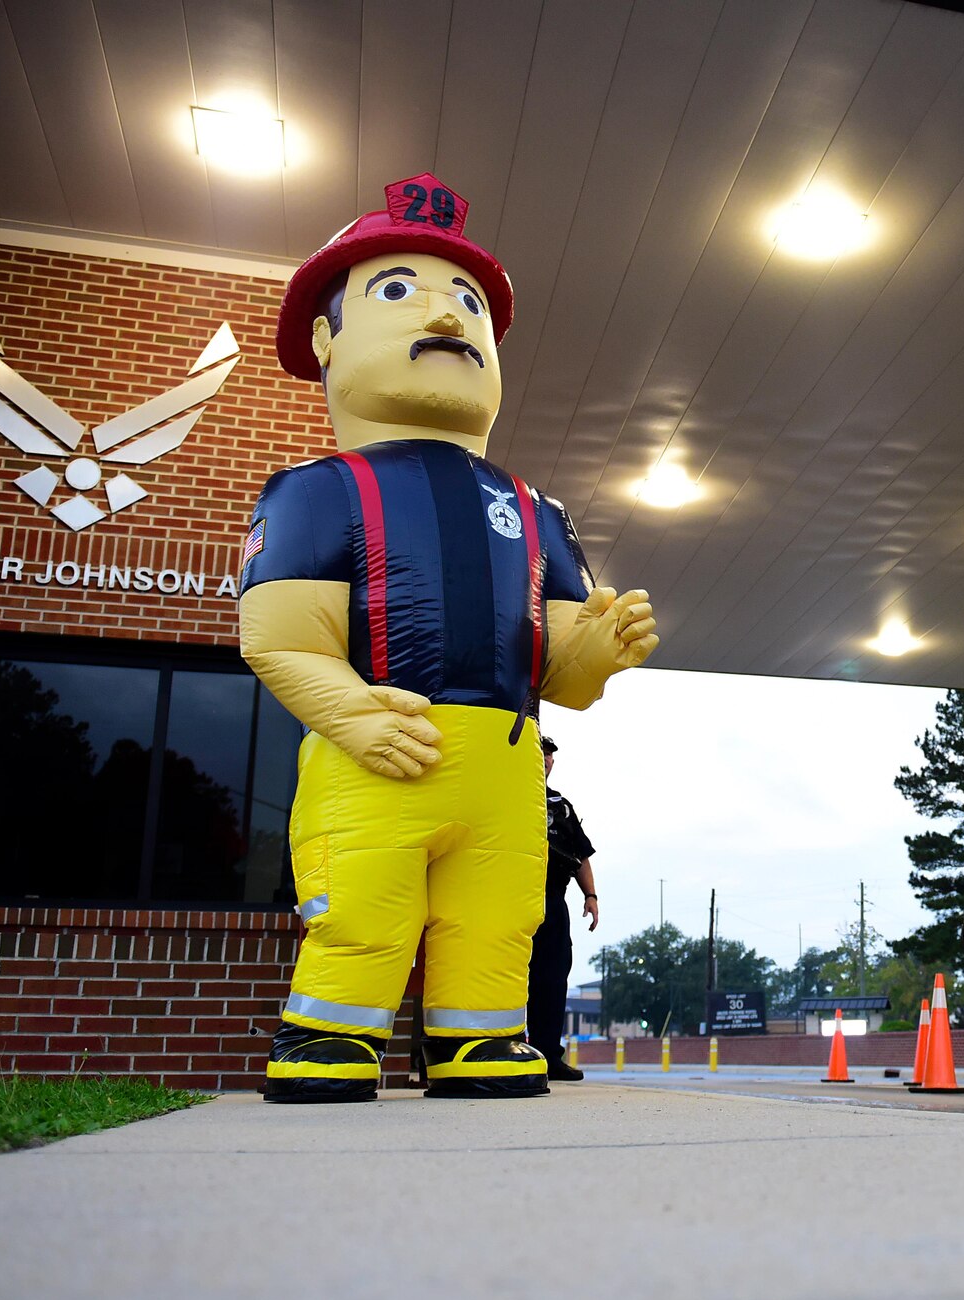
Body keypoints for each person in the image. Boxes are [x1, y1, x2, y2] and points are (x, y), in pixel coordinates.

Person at [240, 173, 660, 1103]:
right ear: (326, 340)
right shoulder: (317, 490)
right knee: (360, 912)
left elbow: (560, 667)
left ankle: (476, 1044)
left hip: (505, 768)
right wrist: (349, 713)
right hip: (377, 755)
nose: (446, 313)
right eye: (398, 290)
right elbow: (281, 636)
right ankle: (329, 1040)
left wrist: (603, 645)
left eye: (467, 300)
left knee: (498, 919)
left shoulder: (535, 507)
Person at [529, 734, 598, 1081]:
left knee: (553, 979)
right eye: (540, 752)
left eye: (550, 755)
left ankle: (547, 1055)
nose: (545, 759)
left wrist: (591, 896)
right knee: (507, 976)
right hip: (511, 895)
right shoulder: (507, 794)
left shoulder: (561, 806)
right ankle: (509, 1046)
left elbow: (582, 855)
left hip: (553, 898)